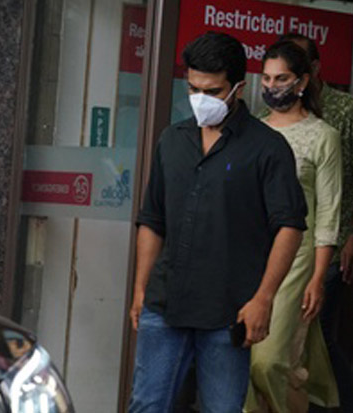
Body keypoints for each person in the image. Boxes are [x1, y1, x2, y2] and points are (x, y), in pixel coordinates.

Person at [128, 32, 307, 413]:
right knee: (147, 405)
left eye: (212, 91)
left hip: (228, 310)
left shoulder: (267, 148)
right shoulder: (172, 140)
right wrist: (140, 289)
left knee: (223, 409)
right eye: (193, 89)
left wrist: (264, 299)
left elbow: (289, 227)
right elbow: (152, 220)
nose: (200, 99)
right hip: (165, 302)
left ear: (239, 87)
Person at [278, 33, 353, 413]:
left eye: (295, 67)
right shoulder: (266, 119)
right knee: (290, 340)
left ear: (313, 70)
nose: (283, 79)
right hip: (277, 251)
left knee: (315, 332)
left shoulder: (347, 111)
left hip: (332, 245)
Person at [245, 41, 342, 413]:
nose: (272, 86)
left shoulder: (323, 136)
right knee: (248, 362)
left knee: (268, 361)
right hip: (251, 255)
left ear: (302, 82)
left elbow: (329, 212)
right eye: (267, 78)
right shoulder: (252, 131)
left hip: (298, 260)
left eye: (281, 78)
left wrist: (318, 277)